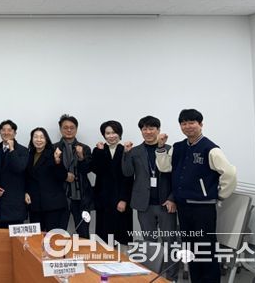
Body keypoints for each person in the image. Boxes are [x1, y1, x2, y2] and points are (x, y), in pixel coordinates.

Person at [156, 109, 236, 283]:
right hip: (184, 206)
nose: (188, 126)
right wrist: (161, 147)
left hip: (203, 208)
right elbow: (164, 167)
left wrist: (219, 195)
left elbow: (230, 173)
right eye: (184, 123)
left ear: (201, 124)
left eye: (192, 122)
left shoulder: (211, 148)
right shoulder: (178, 147)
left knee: (206, 248)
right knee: (190, 247)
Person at [121, 115, 179, 281]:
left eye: (151, 128)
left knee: (170, 241)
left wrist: (172, 198)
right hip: (144, 204)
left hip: (166, 203)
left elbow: (177, 177)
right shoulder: (135, 151)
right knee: (149, 242)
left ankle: (171, 277)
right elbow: (127, 173)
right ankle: (151, 276)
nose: (148, 132)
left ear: (158, 130)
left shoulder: (170, 149)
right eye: (144, 129)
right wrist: (126, 154)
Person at [90, 120, 133, 245]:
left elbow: (129, 177)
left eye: (114, 132)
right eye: (108, 133)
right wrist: (100, 152)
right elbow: (97, 170)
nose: (111, 136)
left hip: (120, 198)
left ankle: (122, 257)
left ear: (119, 134)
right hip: (103, 199)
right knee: (103, 236)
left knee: (121, 236)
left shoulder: (125, 150)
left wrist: (124, 199)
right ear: (104, 135)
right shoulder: (98, 150)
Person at [54, 114, 93, 238]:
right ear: (60, 129)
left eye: (72, 127)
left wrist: (81, 157)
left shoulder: (85, 148)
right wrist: (64, 175)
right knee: (57, 233)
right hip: (60, 196)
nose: (69, 130)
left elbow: (87, 170)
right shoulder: (53, 148)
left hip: (81, 197)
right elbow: (50, 173)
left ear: (76, 129)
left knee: (83, 233)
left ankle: (84, 251)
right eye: (65, 127)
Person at [0, 119, 29, 229]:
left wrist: (12, 149)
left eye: (9, 130)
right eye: (3, 130)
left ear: (15, 133)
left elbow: (19, 168)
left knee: (17, 236)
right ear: (0, 132)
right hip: (0, 203)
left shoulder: (23, 150)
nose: (6, 132)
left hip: (16, 203)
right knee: (2, 236)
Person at [24, 127, 68, 232]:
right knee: (37, 237)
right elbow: (26, 177)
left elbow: (62, 176)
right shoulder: (28, 154)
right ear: (32, 139)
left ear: (46, 139)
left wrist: (57, 161)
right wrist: (26, 192)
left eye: (41, 137)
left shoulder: (54, 153)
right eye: (35, 137)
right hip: (35, 205)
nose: (38, 140)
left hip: (53, 205)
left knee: (53, 237)